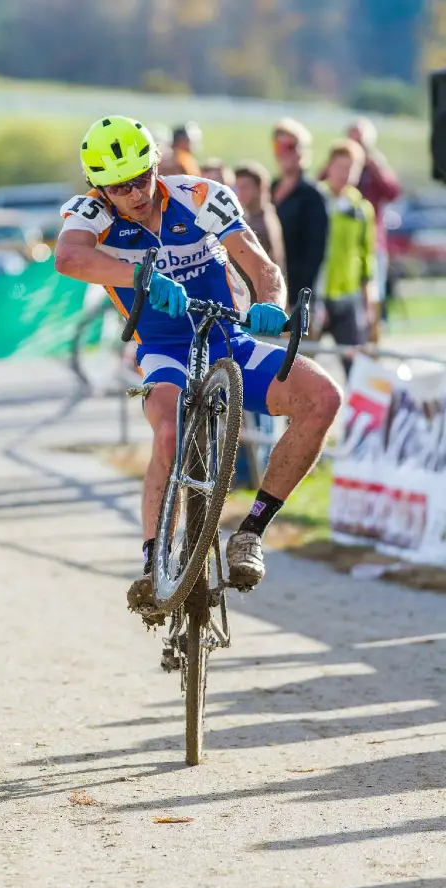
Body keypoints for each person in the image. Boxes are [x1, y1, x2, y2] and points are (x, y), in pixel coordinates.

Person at [55, 116, 341, 615]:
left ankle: (251, 530)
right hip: (164, 346)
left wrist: (269, 300)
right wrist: (140, 275)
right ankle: (154, 564)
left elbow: (259, 264)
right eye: (120, 187)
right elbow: (69, 259)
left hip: (227, 334)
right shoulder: (89, 212)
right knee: (168, 432)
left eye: (142, 177)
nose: (136, 193)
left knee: (323, 397)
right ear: (98, 187)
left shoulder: (199, 195)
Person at [318, 139, 377, 376]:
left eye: (352, 168)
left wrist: (368, 298)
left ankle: (358, 414)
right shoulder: (315, 199)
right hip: (316, 296)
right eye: (341, 166)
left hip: (347, 297)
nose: (346, 173)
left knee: (357, 369)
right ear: (329, 166)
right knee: (297, 366)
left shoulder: (361, 209)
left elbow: (366, 256)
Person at [347, 116, 401, 324]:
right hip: (345, 243)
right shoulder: (341, 162)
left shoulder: (375, 167)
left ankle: (374, 335)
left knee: (374, 290)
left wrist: (374, 165)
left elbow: (393, 191)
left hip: (372, 240)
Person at [271, 118, 328, 314]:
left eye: (291, 146)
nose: (285, 152)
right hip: (269, 291)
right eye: (279, 146)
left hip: (297, 296)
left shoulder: (312, 195)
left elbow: (315, 254)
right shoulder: (270, 189)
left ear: (302, 151)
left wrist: (301, 301)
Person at [234, 160, 285, 272]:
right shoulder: (269, 211)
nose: (240, 193)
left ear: (260, 188)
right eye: (237, 188)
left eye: (245, 188)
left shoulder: (260, 225)